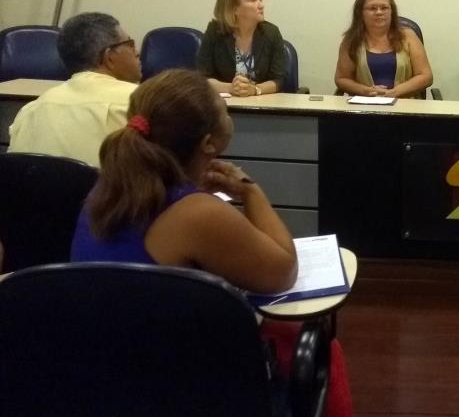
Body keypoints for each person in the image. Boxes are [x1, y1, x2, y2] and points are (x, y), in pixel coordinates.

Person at [70, 69, 352, 416]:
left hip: (103, 373)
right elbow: (283, 272)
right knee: (320, 347)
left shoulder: (105, 190)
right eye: (222, 106)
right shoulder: (198, 213)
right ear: (208, 144)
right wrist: (250, 192)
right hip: (179, 385)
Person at [8, 12, 141, 167]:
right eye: (130, 44)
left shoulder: (29, 112)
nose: (137, 52)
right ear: (109, 56)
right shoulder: (140, 103)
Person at [334, 0, 433, 98]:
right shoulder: (352, 40)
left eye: (384, 8)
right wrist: (366, 91)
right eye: (372, 8)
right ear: (360, 13)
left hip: (404, 103)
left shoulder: (408, 36)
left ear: (392, 11)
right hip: (364, 104)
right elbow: (342, 79)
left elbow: (426, 76)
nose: (379, 12)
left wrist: (395, 92)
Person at [197, 0, 287, 97]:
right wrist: (230, 88)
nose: (261, 5)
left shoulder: (271, 32)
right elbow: (202, 78)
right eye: (253, 0)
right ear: (234, 8)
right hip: (225, 103)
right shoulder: (215, 32)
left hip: (262, 103)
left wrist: (255, 89)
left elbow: (279, 80)